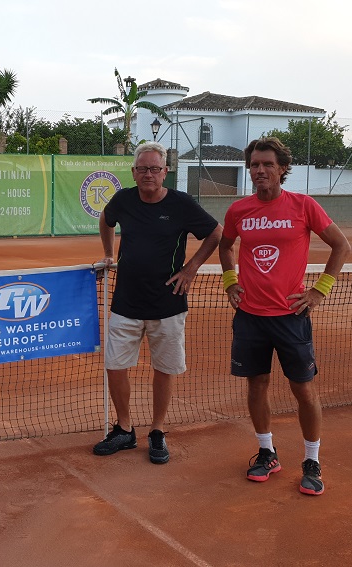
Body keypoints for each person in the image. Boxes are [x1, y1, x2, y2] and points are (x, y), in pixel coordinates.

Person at [218, 136, 350, 496]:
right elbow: (225, 245)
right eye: (255, 165)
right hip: (249, 316)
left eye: (267, 164)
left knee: (303, 391)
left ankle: (311, 460)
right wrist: (231, 283)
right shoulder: (238, 211)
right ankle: (266, 452)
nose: (260, 170)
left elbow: (341, 245)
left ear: (282, 169)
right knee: (256, 385)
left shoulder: (303, 206)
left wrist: (319, 291)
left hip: (290, 316)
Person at [93, 141, 222, 464]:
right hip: (126, 303)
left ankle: (157, 431)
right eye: (142, 169)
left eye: (154, 169)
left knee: (164, 369)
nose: (148, 174)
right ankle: (124, 428)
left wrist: (191, 269)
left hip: (169, 304)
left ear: (165, 172)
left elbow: (216, 233)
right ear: (134, 173)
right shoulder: (123, 199)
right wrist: (109, 254)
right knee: (115, 367)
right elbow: (106, 221)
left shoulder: (181, 203)